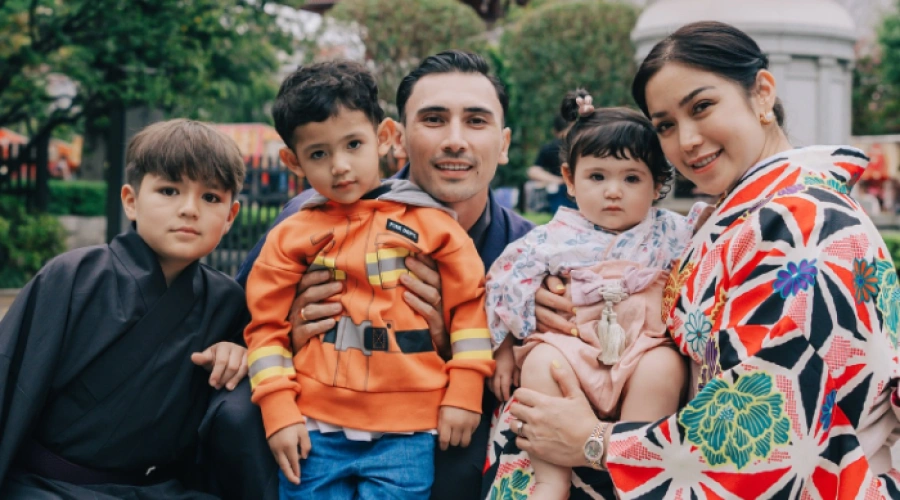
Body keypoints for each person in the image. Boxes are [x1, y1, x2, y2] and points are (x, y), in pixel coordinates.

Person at [498, 20, 900, 499]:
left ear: (762, 93)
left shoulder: (803, 222)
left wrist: (597, 442)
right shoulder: (742, 213)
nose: (686, 140)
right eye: (665, 126)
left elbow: (770, 419)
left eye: (702, 107)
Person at [205, 50, 534, 500]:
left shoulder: (530, 254)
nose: (455, 141)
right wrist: (289, 336)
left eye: (476, 121)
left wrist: (462, 345)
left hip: (432, 421)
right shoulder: (303, 222)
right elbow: (250, 323)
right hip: (320, 410)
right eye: (433, 120)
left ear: (504, 142)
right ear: (398, 137)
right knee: (236, 413)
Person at [0, 119, 250, 499]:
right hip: (50, 487)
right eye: (169, 190)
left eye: (211, 198)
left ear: (230, 216)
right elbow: (9, 382)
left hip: (158, 490)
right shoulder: (74, 277)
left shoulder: (227, 303)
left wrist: (241, 353)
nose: (189, 210)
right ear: (131, 201)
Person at [485, 95, 704, 499]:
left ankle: (634, 471)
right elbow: (505, 280)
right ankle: (550, 480)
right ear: (570, 180)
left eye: (632, 179)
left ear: (658, 184)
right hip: (573, 347)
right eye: (597, 177)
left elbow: (711, 230)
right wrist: (503, 349)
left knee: (664, 368)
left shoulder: (672, 231)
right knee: (540, 364)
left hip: (642, 347)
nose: (613, 192)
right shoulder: (553, 236)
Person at [527, 114, 577, 214]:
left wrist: (557, 180)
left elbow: (533, 171)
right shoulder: (580, 145)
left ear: (554, 131)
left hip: (559, 191)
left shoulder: (550, 147)